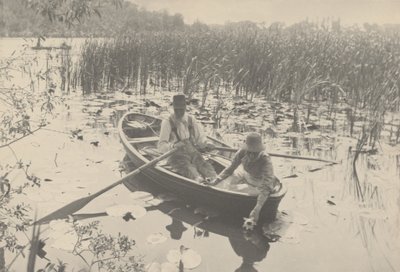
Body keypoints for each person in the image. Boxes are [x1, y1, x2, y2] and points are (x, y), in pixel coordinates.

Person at [208, 132, 281, 227]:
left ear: (259, 151)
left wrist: (257, 208)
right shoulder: (242, 152)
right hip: (245, 174)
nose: (251, 154)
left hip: (258, 182)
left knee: (231, 190)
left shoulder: (265, 160)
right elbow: (230, 168)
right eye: (249, 151)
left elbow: (267, 185)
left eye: (254, 152)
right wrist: (216, 180)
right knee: (222, 185)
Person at [158, 94, 217, 182]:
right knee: (193, 174)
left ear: (185, 107)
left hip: (192, 152)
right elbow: (161, 146)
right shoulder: (167, 122)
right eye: (176, 109)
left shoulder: (191, 120)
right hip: (176, 156)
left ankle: (215, 181)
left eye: (181, 109)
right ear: (173, 107)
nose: (179, 112)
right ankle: (199, 183)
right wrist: (173, 146)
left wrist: (206, 144)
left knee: (209, 171)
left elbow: (200, 139)